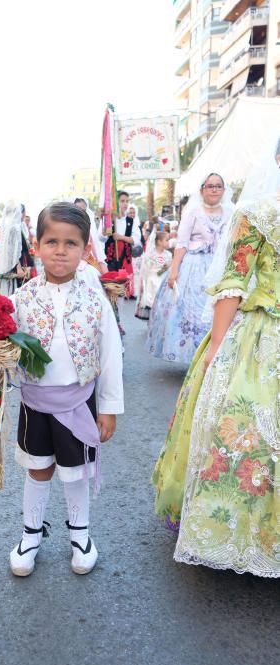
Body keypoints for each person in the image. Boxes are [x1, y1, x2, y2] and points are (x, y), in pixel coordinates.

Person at [152, 136, 280, 577]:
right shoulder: (257, 213)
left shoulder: (255, 212)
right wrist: (219, 347)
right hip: (259, 336)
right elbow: (232, 282)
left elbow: (234, 280)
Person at [9, 202, 124, 577]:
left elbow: (110, 356)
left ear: (85, 248)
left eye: (71, 243)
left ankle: (81, 536)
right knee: (38, 470)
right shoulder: (21, 299)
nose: (61, 251)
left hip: (78, 403)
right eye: (52, 241)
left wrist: (107, 407)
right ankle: (30, 535)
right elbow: (4, 349)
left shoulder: (95, 300)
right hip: (35, 404)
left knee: (76, 473)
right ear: (37, 244)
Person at [147, 173, 234, 363]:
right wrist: (175, 271)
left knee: (219, 310)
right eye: (210, 186)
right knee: (193, 314)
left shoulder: (231, 212)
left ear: (224, 190)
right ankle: (196, 359)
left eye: (218, 186)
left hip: (220, 267)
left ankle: (217, 356)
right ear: (202, 189)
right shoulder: (193, 212)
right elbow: (182, 243)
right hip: (194, 268)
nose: (214, 190)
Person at [135, 231, 171, 321]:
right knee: (153, 303)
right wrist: (142, 284)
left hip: (163, 280)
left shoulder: (168, 254)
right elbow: (146, 271)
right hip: (152, 281)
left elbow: (168, 269)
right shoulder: (151, 255)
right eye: (166, 240)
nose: (168, 242)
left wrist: (168, 267)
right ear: (159, 242)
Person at [74, 197, 107, 274]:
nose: (81, 213)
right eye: (78, 209)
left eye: (84, 210)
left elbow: (95, 246)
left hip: (89, 262)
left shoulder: (89, 227)